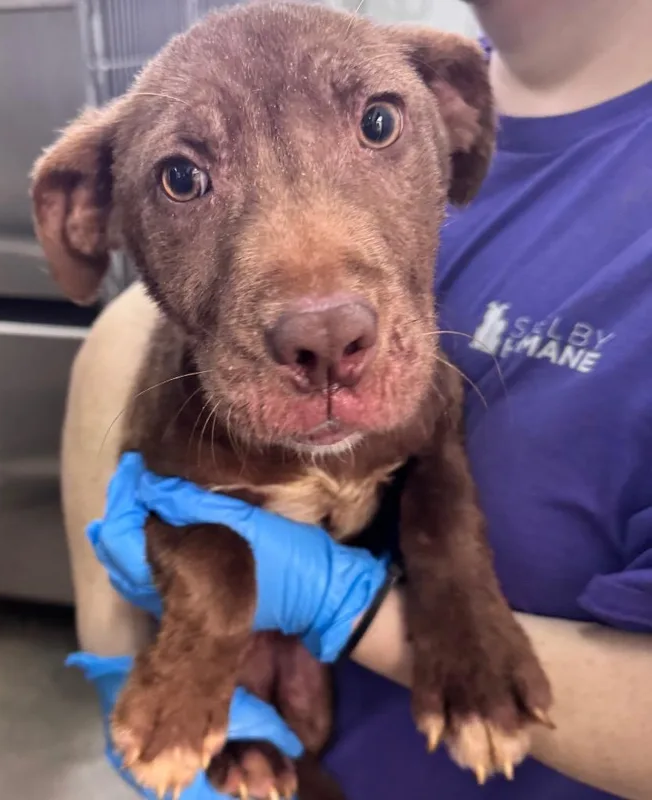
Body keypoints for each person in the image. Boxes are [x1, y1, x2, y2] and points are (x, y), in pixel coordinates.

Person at [70, 0, 652, 797]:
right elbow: (131, 327)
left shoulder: (423, 87)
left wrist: (346, 607)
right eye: (183, 176)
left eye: (378, 127)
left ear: (456, 118)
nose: (321, 322)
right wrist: (129, 645)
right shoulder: (412, 74)